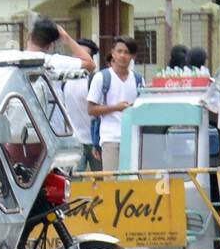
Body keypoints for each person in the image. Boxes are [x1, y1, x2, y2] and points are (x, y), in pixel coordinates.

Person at [88, 35, 140, 172]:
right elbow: (91, 109)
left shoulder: (138, 80)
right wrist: (116, 108)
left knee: (133, 181)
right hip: (110, 138)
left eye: (127, 52)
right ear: (113, 53)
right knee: (112, 183)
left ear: (133, 56)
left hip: (133, 137)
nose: (122, 56)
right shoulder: (102, 77)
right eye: (119, 51)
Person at [64, 38, 100, 171]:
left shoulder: (95, 81)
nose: (79, 58)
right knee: (74, 182)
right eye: (77, 54)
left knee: (102, 181)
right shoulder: (65, 80)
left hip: (95, 142)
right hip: (75, 141)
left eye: (84, 55)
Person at [26, 15, 96, 74]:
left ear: (29, 35)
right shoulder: (55, 61)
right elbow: (91, 65)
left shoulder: (15, 56)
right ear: (50, 46)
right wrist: (67, 38)